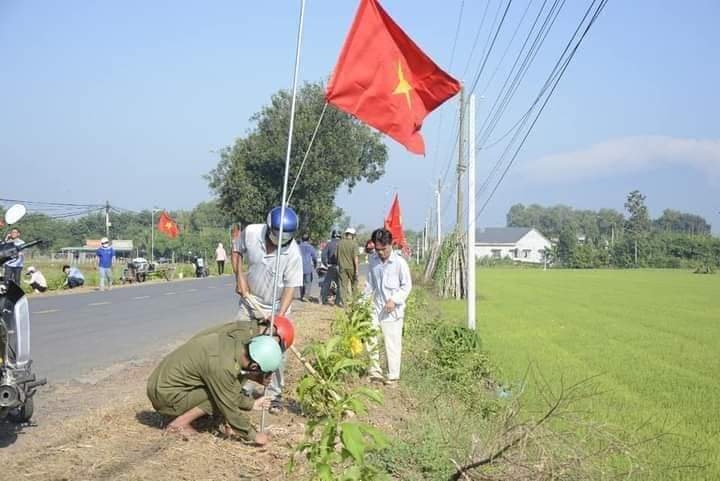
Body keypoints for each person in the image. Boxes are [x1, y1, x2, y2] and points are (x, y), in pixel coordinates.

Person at [146, 332, 282, 445]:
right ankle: (178, 425)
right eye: (260, 372)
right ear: (253, 367)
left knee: (221, 389)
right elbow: (228, 402)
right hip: (166, 395)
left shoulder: (233, 344)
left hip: (163, 384)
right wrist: (253, 435)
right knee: (217, 395)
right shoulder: (222, 367)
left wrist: (251, 402)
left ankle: (201, 419)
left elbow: (231, 383)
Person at [234, 206, 302, 414]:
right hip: (250, 301)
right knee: (241, 346)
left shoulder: (293, 253)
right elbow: (236, 252)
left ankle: (273, 395)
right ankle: (241, 390)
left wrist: (278, 318)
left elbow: (291, 287)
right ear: (268, 227)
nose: (279, 241)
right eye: (276, 235)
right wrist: (239, 278)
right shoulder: (252, 232)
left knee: (276, 353)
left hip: (277, 306)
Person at [364, 228, 412, 386]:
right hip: (376, 307)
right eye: (378, 250)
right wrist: (362, 304)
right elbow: (369, 285)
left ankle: (393, 377)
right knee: (370, 337)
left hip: (393, 311)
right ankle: (375, 372)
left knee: (392, 343)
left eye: (383, 249)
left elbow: (406, 286)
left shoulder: (400, 263)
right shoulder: (373, 261)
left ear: (391, 245)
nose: (381, 253)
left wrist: (395, 300)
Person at [337, 227, 359, 307]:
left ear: (346, 234)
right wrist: (356, 270)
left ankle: (344, 304)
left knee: (343, 286)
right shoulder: (354, 244)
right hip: (352, 267)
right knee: (354, 285)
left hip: (342, 267)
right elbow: (355, 258)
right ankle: (355, 302)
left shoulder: (340, 243)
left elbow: (336, 256)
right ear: (353, 235)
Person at [320, 230, 341, 305]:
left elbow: (323, 255)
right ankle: (338, 301)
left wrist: (325, 264)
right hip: (340, 267)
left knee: (326, 283)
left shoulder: (329, 244)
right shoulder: (342, 244)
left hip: (331, 266)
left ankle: (323, 300)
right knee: (340, 285)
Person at [298, 233, 317, 302]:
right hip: (307, 267)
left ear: (301, 239)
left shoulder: (298, 247)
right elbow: (314, 257)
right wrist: (315, 264)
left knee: (301, 282)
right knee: (308, 282)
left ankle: (302, 295)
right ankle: (306, 296)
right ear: (308, 239)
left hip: (299, 267)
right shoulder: (310, 247)